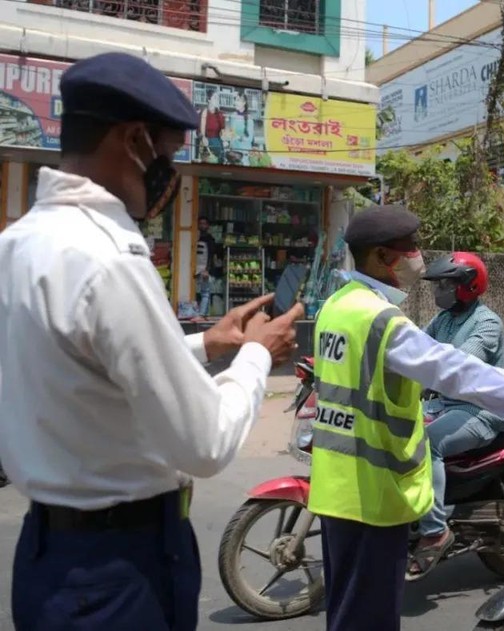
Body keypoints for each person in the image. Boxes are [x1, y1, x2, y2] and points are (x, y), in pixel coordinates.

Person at [0, 52, 304, 631]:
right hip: (121, 566)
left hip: (49, 557)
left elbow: (80, 372)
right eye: (167, 155)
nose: (170, 174)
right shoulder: (109, 258)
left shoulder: (20, 242)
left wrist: (207, 345)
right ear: (134, 139)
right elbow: (204, 443)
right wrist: (258, 354)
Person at [308, 204, 504, 631]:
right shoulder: (380, 319)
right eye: (410, 248)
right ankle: (435, 530)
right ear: (382, 257)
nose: (417, 257)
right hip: (373, 498)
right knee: (368, 619)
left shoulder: (336, 307)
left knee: (347, 613)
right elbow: (457, 371)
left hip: (336, 490)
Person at [407, 251, 504, 579]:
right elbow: (416, 343)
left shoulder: (487, 323)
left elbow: (461, 362)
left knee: (427, 441)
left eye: (446, 284)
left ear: (469, 285)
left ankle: (435, 531)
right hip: (444, 404)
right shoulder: (445, 318)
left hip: (480, 410)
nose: (439, 291)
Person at [196, 215, 216, 316]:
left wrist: (207, 270)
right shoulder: (194, 237)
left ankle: (202, 314)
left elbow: (211, 256)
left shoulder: (210, 239)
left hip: (203, 269)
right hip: (194, 269)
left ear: (208, 226)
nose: (202, 226)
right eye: (200, 223)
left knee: (205, 293)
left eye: (204, 224)